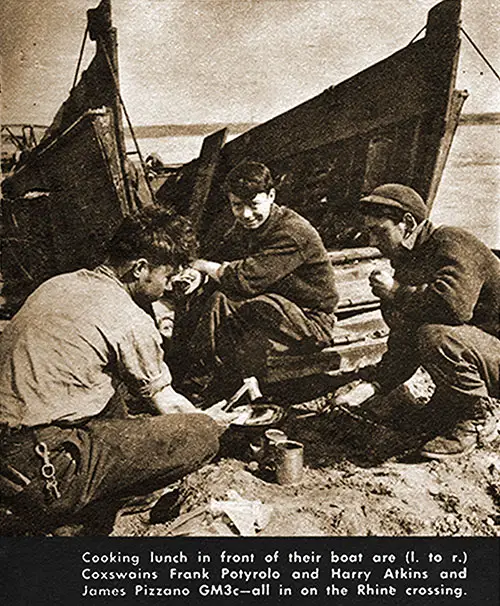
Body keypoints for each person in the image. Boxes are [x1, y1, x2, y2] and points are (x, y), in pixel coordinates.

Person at [0, 207, 236, 535]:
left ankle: (82, 507)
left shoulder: (59, 284)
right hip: (43, 466)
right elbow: (165, 402)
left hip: (10, 450)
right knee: (199, 434)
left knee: (111, 394)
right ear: (140, 268)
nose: (169, 286)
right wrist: (213, 421)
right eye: (167, 277)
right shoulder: (129, 318)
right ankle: (73, 513)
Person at [337, 183, 500, 460]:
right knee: (425, 336)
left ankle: (476, 418)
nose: (373, 242)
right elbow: (404, 338)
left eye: (379, 231)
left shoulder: (452, 242)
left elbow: (453, 308)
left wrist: (395, 291)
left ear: (408, 223)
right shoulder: (410, 263)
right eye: (369, 232)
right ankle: (451, 406)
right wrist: (373, 386)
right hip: (488, 356)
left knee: (436, 336)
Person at [169, 161, 339, 402]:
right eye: (237, 205)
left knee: (222, 301)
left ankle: (196, 382)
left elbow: (244, 279)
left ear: (271, 195)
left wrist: (203, 266)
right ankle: (183, 375)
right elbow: (220, 257)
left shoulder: (291, 232)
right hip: (274, 311)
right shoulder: (252, 225)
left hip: (309, 322)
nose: (246, 214)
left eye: (253, 204)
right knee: (201, 296)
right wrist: (197, 275)